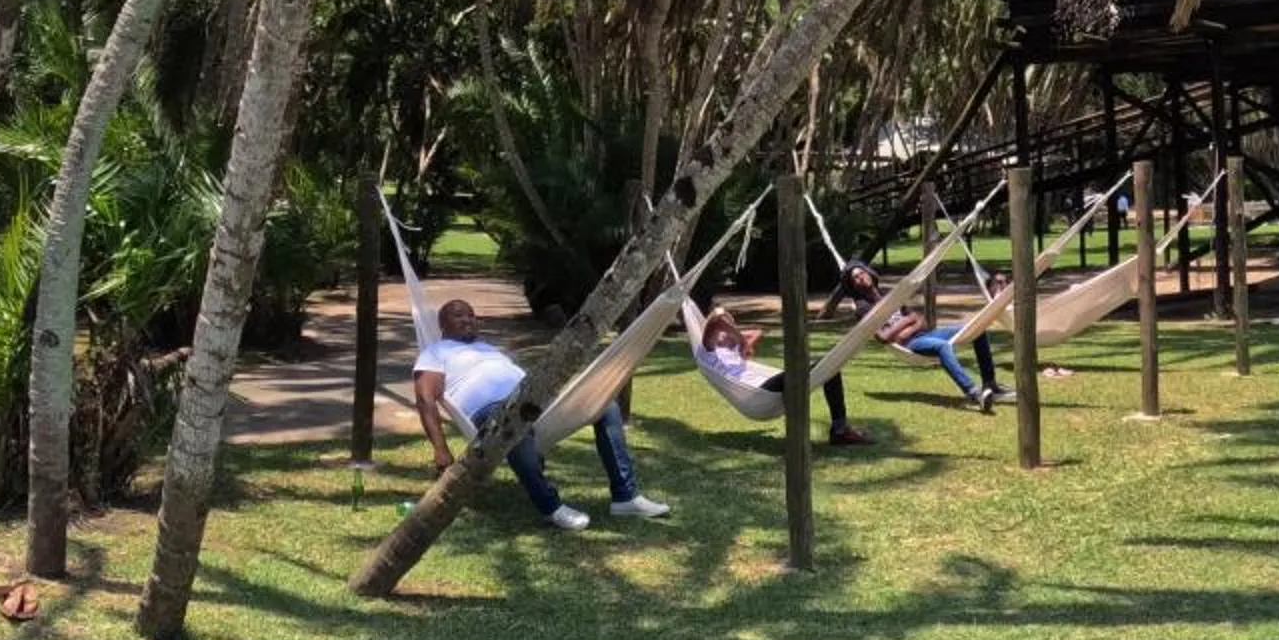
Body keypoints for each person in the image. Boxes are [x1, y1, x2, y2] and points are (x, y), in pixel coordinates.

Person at [412, 295, 670, 532]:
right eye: (459, 314)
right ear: (442, 325)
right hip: (492, 411)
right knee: (513, 426)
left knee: (606, 406)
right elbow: (425, 399)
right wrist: (440, 448)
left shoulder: (488, 349)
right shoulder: (435, 352)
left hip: (535, 400)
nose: (468, 319)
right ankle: (550, 507)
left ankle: (625, 496)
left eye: (471, 314)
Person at [696, 305, 869, 447]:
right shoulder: (708, 350)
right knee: (796, 372)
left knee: (831, 368)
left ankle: (839, 430)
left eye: (729, 330)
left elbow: (757, 331)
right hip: (754, 395)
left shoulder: (731, 350)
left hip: (767, 388)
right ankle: (798, 440)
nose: (726, 333)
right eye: (724, 331)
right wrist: (739, 338)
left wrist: (739, 342)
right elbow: (717, 317)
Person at [880, 277, 1003, 410]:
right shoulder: (870, 316)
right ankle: (974, 392)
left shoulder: (898, 305)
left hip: (928, 334)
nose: (861, 278)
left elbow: (922, 322)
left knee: (977, 329)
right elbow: (884, 336)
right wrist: (909, 322)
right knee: (942, 347)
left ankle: (989, 382)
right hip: (913, 343)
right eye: (856, 277)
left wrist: (904, 328)